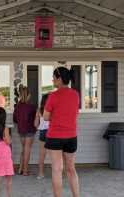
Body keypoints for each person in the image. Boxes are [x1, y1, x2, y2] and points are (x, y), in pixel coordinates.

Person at [43, 67, 80, 197]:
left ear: (59, 79)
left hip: (55, 137)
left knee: (57, 170)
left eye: (53, 77)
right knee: (71, 169)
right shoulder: (75, 94)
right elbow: (75, 114)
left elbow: (46, 117)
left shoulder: (53, 95)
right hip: (71, 136)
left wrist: (56, 116)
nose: (52, 79)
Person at [13, 87, 37, 176]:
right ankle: (25, 171)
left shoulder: (18, 106)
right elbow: (36, 119)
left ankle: (20, 169)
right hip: (30, 130)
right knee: (27, 150)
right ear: (29, 95)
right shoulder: (32, 106)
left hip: (21, 130)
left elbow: (15, 119)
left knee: (23, 149)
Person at [34, 93, 50, 180]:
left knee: (42, 155)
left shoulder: (39, 110)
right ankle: (59, 173)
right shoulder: (53, 109)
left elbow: (35, 124)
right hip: (52, 133)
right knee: (55, 155)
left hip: (43, 132)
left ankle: (40, 174)